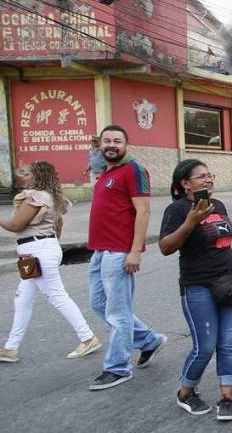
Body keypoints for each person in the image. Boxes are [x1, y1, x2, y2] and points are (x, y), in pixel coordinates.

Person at [159, 160, 232, 421]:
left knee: (227, 343)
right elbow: (165, 247)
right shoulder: (177, 209)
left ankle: (226, 398)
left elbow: (222, 242)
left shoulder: (218, 205)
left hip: (229, 282)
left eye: (210, 176)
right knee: (205, 347)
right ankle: (185, 392)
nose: (208, 180)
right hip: (198, 286)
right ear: (186, 183)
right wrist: (190, 222)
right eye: (201, 177)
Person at [87, 125, 166, 391]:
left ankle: (118, 367)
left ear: (126, 144)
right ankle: (148, 340)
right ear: (100, 144)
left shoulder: (134, 170)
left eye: (117, 141)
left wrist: (134, 251)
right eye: (107, 140)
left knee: (118, 312)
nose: (111, 145)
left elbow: (143, 212)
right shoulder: (106, 171)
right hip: (100, 249)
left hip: (120, 251)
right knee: (98, 303)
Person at [0, 161, 100, 363]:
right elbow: (59, 224)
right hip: (39, 250)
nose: (23, 178)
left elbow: (15, 225)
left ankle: (87, 337)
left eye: (27, 174)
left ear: (38, 176)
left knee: (57, 296)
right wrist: (49, 243)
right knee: (22, 299)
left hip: (38, 251)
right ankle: (11, 348)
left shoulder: (36, 197)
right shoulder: (53, 196)